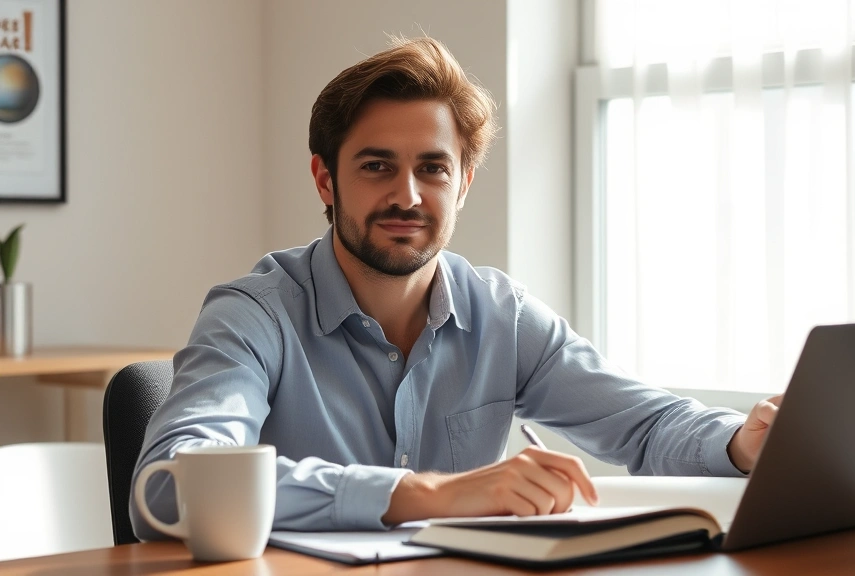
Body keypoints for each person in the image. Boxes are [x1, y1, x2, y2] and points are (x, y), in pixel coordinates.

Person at [131, 36, 781, 540]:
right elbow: (172, 485)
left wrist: (740, 442)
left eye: (432, 168)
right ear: (326, 181)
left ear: (463, 183)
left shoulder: (503, 316)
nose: (407, 195)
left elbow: (645, 428)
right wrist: (430, 495)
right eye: (377, 166)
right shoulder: (253, 315)